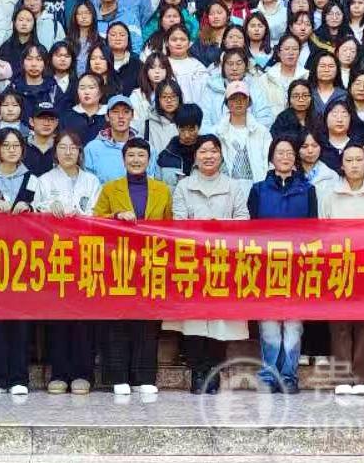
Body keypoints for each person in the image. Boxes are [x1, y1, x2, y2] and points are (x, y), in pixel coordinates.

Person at [171, 134, 250, 394]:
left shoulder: (233, 186)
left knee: (220, 321)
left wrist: (221, 228)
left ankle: (214, 372)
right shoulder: (183, 187)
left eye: (214, 151)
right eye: (203, 151)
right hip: (192, 260)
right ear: (195, 156)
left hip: (223, 261)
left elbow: (243, 219)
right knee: (194, 320)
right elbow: (178, 222)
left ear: (221, 155)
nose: (209, 156)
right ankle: (197, 371)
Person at [94, 137, 172, 396]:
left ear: (149, 160)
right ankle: (118, 376)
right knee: (117, 322)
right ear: (123, 159)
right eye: (131, 155)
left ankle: (144, 376)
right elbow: (95, 221)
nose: (136, 160)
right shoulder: (110, 189)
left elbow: (171, 226)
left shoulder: (162, 190)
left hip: (150, 264)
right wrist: (116, 217)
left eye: (141, 155)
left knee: (147, 323)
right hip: (118, 263)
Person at [318, 143, 364, 395]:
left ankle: (362, 378)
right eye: (349, 160)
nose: (354, 165)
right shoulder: (329, 194)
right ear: (342, 165)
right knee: (339, 323)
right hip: (339, 264)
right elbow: (323, 231)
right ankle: (342, 378)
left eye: (359, 160)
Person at [247, 136, 317, 393]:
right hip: (266, 267)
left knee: (293, 326)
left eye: (289, 153)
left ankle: (288, 376)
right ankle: (269, 375)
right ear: (271, 157)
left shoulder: (308, 190)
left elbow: (314, 230)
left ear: (295, 158)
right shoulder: (258, 190)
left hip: (297, 267)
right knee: (269, 326)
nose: (285, 157)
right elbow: (250, 230)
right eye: (280, 152)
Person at [34, 130, 100, 394]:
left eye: (73, 147)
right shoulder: (43, 181)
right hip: (55, 257)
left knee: (84, 318)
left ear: (80, 152)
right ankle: (59, 373)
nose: (68, 152)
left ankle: (83, 374)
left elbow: (97, 214)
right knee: (57, 318)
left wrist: (80, 215)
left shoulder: (92, 181)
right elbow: (33, 216)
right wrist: (48, 211)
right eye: (63, 147)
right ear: (55, 152)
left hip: (84, 256)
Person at [209, 81, 270, 184]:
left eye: (243, 98)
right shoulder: (215, 133)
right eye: (233, 98)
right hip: (224, 189)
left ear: (248, 101)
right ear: (227, 103)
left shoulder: (262, 132)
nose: (239, 102)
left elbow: (269, 161)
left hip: (257, 188)